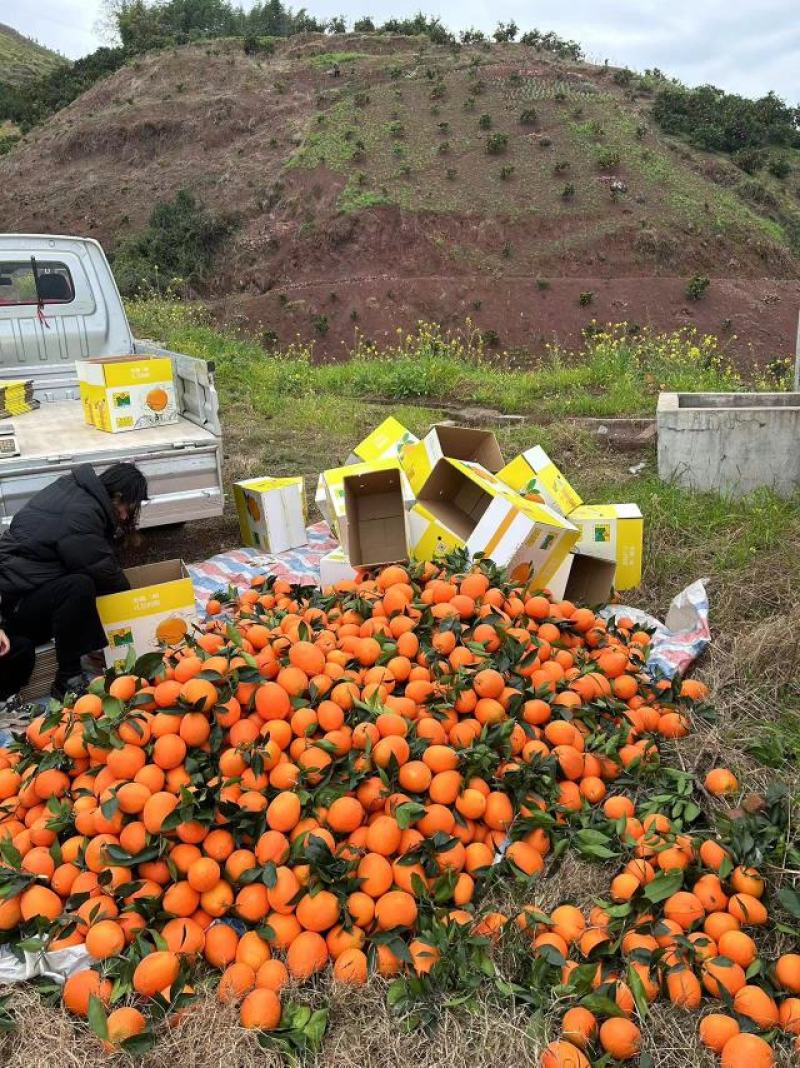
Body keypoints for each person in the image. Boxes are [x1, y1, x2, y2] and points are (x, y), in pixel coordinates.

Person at [0, 463, 148, 700]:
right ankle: (68, 678)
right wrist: (138, 609)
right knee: (79, 586)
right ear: (117, 496)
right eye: (127, 508)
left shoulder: (75, 489)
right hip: (15, 602)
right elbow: (103, 571)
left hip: (22, 587)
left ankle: (93, 649)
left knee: (81, 584)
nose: (124, 516)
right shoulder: (82, 513)